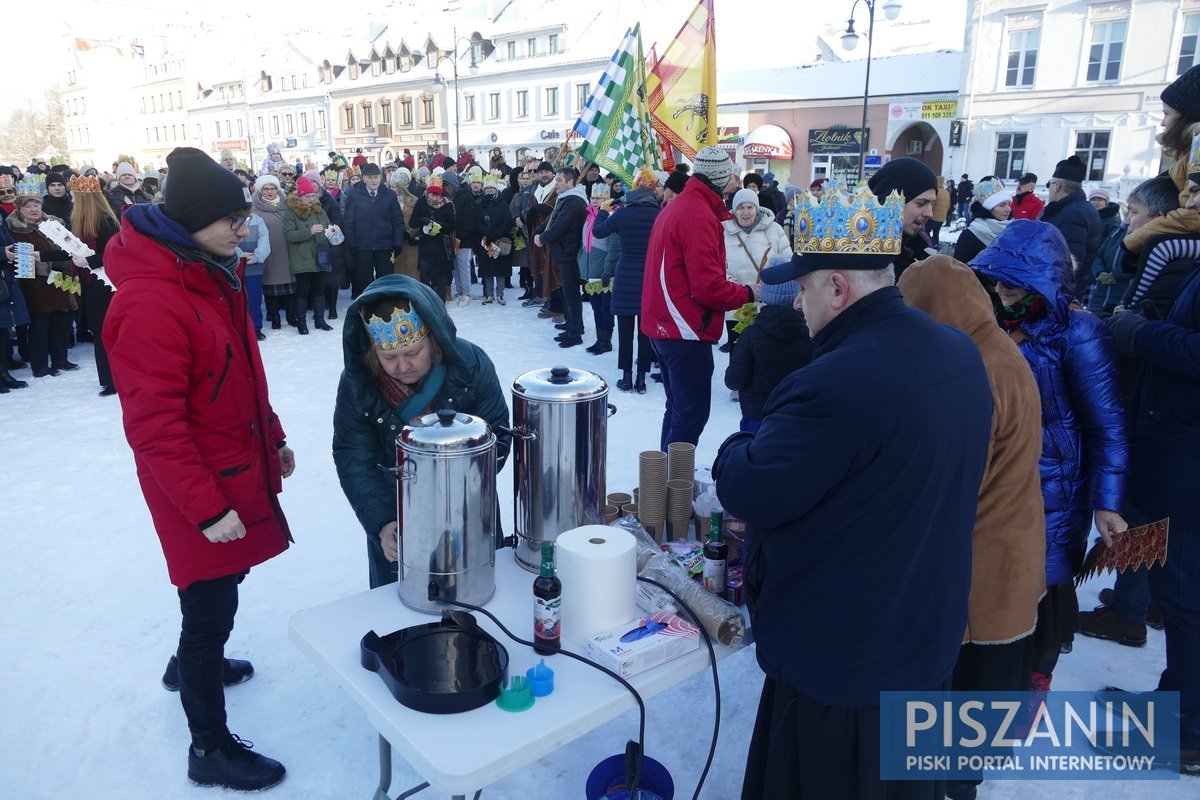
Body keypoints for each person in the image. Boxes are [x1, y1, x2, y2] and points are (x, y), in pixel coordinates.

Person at [713, 184, 993, 800]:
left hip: (842, 663)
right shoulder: (957, 351)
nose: (797, 307)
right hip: (924, 636)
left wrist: (734, 447)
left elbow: (750, 489)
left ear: (837, 288)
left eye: (805, 289)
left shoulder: (833, 382)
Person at [103, 147, 293, 791]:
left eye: (243, 214)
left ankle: (186, 666)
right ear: (190, 220)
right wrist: (207, 509)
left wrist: (274, 439)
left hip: (235, 465)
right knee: (208, 607)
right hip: (195, 487)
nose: (244, 228)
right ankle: (208, 749)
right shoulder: (153, 301)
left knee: (220, 585)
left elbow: (242, 373)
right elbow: (154, 428)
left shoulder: (211, 271)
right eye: (231, 218)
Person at [898, 255, 1045, 800]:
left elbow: (957, 482)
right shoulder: (999, 349)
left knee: (959, 700)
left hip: (982, 560)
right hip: (1014, 547)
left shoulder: (974, 371)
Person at [969, 219, 1128, 693]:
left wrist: (1108, 502)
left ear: (1044, 279)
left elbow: (1109, 425)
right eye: (997, 279)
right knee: (1001, 585)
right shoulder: (995, 326)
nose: (1001, 290)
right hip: (1002, 482)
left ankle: (1030, 690)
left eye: (1013, 282)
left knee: (1044, 591)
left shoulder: (1080, 333)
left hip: (1056, 490)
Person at [332, 275, 510, 588]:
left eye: (413, 353)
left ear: (434, 338)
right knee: (403, 611)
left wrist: (459, 492)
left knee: (478, 599)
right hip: (397, 515)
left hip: (469, 509)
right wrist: (382, 521)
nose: (401, 366)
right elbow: (354, 455)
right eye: (388, 357)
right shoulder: (359, 385)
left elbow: (498, 434)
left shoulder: (471, 365)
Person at [1102, 212, 1200, 774]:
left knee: (1186, 599)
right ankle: (1175, 707)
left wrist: (1141, 333)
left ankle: (1188, 730)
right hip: (1178, 448)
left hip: (1191, 460)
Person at [641, 146, 759, 448]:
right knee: (690, 415)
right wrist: (747, 292)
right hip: (685, 329)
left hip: (669, 324)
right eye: (731, 175)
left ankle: (664, 481)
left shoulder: (682, 206)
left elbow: (687, 273)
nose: (734, 181)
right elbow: (708, 288)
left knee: (679, 410)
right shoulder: (697, 214)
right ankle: (672, 489)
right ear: (721, 178)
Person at [593, 166, 661, 393]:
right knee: (645, 332)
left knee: (625, 331)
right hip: (649, 278)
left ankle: (626, 376)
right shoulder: (659, 214)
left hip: (625, 274)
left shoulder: (622, 212)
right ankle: (641, 379)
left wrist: (603, 210)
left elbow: (599, 232)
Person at [6, 179, 80, 377]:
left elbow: (70, 248)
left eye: (36, 204)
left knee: (62, 319)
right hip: (35, 282)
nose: (33, 209)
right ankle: (40, 365)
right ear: (20, 208)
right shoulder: (14, 228)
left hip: (61, 277)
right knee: (40, 324)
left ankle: (60, 358)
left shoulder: (54, 224)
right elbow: (21, 258)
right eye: (28, 205)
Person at [723, 275, 811, 432]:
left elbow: (734, 381)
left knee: (753, 454)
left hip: (756, 417)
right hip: (797, 416)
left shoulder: (751, 335)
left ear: (765, 295)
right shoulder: (810, 334)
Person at [720, 188, 791, 353]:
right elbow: (715, 265)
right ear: (734, 210)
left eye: (750, 207)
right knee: (738, 353)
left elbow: (787, 261)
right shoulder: (722, 231)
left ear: (757, 209)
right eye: (741, 207)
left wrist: (768, 285)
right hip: (736, 305)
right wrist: (733, 284)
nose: (745, 212)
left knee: (765, 353)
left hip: (767, 304)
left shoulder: (774, 230)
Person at [69, 176, 121, 394]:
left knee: (106, 332)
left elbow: (115, 252)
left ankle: (113, 379)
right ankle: (109, 378)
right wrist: (40, 255)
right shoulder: (81, 221)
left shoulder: (105, 220)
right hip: (93, 284)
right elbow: (70, 250)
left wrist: (88, 261)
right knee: (100, 332)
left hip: (105, 283)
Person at [535, 167, 588, 347]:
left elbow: (560, 226)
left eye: (559, 180)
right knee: (567, 292)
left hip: (569, 253)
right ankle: (572, 324)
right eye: (556, 180)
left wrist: (542, 238)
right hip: (563, 252)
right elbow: (551, 219)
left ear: (570, 182)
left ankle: (575, 332)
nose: (555, 183)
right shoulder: (565, 198)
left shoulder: (574, 202)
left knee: (572, 293)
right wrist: (540, 229)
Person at [1039, 155, 1102, 296]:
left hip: (1060, 289)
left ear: (1057, 186)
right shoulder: (1077, 207)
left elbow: (1069, 261)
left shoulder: (1072, 213)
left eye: (1050, 184)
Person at [867, 157, 938, 278]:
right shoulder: (861, 259)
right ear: (890, 203)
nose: (929, 213)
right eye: (921, 203)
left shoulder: (920, 247)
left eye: (932, 204)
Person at [343, 163, 406, 297]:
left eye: (376, 177)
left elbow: (397, 221)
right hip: (362, 246)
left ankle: (385, 307)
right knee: (364, 281)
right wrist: (352, 244)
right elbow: (348, 222)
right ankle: (368, 307)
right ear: (364, 178)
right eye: (370, 177)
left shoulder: (389, 195)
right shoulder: (354, 195)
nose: (374, 180)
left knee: (386, 280)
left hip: (385, 245)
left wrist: (397, 243)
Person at [282, 176, 334, 334]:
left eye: (313, 196)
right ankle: (302, 323)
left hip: (321, 256)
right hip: (302, 258)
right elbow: (289, 235)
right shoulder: (291, 213)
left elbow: (327, 228)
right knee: (303, 291)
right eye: (307, 196)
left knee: (319, 290)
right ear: (300, 196)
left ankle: (320, 319)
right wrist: (309, 232)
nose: (311, 199)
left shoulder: (320, 210)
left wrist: (333, 234)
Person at [252, 175, 295, 330]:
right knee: (270, 286)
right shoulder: (255, 208)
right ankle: (274, 316)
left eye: (272, 188)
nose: (270, 191)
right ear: (260, 190)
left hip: (288, 250)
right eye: (266, 188)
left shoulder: (288, 205)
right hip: (268, 252)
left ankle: (291, 315)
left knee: (290, 285)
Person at [408, 176, 457, 301]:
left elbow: (453, 224)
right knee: (425, 278)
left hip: (441, 247)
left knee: (441, 280)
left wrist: (439, 225)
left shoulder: (447, 204)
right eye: (431, 194)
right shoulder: (421, 202)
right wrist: (422, 221)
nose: (434, 197)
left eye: (437, 195)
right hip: (426, 247)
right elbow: (412, 222)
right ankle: (426, 303)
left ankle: (440, 304)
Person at [952, 177, 1013, 264]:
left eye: (1009, 204)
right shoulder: (970, 235)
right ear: (988, 208)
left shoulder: (1011, 231)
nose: (1008, 209)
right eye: (1002, 205)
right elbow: (958, 269)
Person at [475, 173, 514, 305]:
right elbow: (477, 222)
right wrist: (486, 232)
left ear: (496, 189)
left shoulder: (503, 204)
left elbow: (507, 221)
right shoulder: (480, 204)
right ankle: (489, 294)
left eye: (491, 188)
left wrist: (496, 233)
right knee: (487, 269)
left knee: (500, 270)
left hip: (500, 241)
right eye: (487, 189)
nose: (489, 190)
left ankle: (500, 294)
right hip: (485, 241)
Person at [236, 205, 271, 340]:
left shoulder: (258, 221)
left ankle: (256, 327)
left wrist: (257, 256)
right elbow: (229, 242)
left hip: (255, 265)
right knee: (238, 297)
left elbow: (264, 241)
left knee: (254, 298)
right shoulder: (231, 220)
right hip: (236, 265)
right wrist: (241, 255)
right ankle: (241, 327)